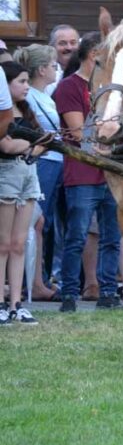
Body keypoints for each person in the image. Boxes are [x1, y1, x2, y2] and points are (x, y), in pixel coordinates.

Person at [53, 32, 122, 312]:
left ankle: (108, 292)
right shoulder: (69, 87)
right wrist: (114, 128)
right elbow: (80, 132)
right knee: (77, 235)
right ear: (93, 55)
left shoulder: (112, 87)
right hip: (82, 172)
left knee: (111, 237)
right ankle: (69, 294)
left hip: (112, 172)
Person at [14, 44, 63, 301]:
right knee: (35, 220)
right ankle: (30, 282)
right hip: (43, 161)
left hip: (54, 161)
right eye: (53, 65)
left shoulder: (46, 94)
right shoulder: (31, 96)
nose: (57, 69)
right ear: (42, 69)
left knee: (44, 222)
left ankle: (38, 279)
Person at [0, 62, 47, 325]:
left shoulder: (28, 112)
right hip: (6, 174)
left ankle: (17, 303)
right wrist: (33, 146)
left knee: (20, 243)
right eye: (21, 81)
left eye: (28, 81)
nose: (27, 86)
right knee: (3, 244)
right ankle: (1, 303)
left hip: (29, 176)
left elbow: (44, 145)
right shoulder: (3, 114)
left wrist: (28, 147)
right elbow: (6, 146)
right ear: (5, 86)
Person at [48, 24, 79, 91]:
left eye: (73, 43)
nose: (69, 48)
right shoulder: (47, 77)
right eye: (62, 43)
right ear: (52, 47)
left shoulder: (86, 72)